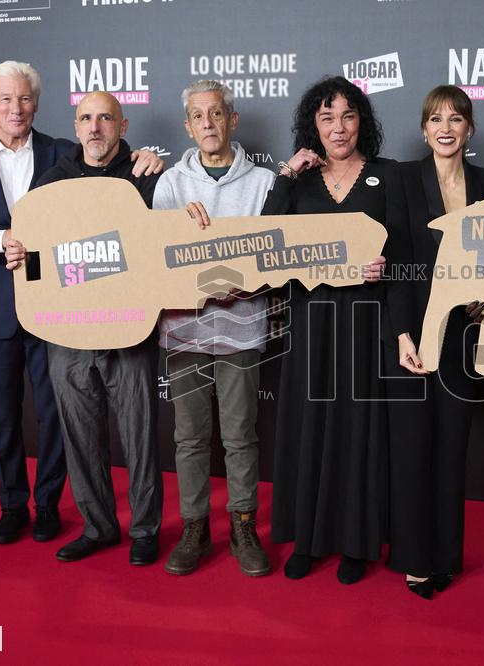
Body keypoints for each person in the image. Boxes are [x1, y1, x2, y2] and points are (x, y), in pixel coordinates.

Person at [0, 61, 162, 546]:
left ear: (36, 104)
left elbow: (113, 161)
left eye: (24, 99)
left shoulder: (65, 152)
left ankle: (48, 508)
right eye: (7, 99)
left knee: (60, 417)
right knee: (3, 416)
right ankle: (12, 505)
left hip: (63, 311)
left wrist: (146, 157)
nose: (16, 108)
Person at [8, 92, 165, 565]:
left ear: (122, 123)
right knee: (79, 433)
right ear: (75, 127)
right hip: (69, 331)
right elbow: (36, 256)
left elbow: (167, 244)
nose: (95, 128)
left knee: (139, 433)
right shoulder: (51, 182)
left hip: (129, 328)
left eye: (105, 118)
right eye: (85, 119)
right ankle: (98, 526)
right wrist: (20, 256)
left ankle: (144, 529)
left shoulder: (147, 177)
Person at [262, 76, 400, 585]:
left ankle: (356, 544)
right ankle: (308, 538)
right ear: (311, 126)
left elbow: (406, 255)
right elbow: (265, 247)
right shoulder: (297, 182)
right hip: (312, 323)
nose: (338, 127)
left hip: (366, 324)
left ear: (361, 120)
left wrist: (386, 268)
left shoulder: (389, 176)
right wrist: (285, 172)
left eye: (347, 115)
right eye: (326, 117)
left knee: (358, 434)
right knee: (310, 429)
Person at [151, 80, 276, 578]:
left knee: (241, 436)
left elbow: (274, 257)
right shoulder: (170, 185)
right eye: (198, 116)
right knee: (189, 437)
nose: (208, 123)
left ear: (233, 119)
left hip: (242, 326)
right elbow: (156, 257)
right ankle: (195, 527)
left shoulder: (264, 183)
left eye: (217, 113)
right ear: (188, 126)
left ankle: (243, 524)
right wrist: (176, 229)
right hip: (184, 329)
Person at [388, 85, 484, 599]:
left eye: (456, 119)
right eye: (435, 119)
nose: (445, 128)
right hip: (414, 331)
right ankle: (415, 558)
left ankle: (445, 555)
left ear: (469, 128)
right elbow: (391, 264)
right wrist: (400, 332)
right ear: (423, 129)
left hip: (464, 337)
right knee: (414, 446)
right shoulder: (403, 180)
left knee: (451, 448)